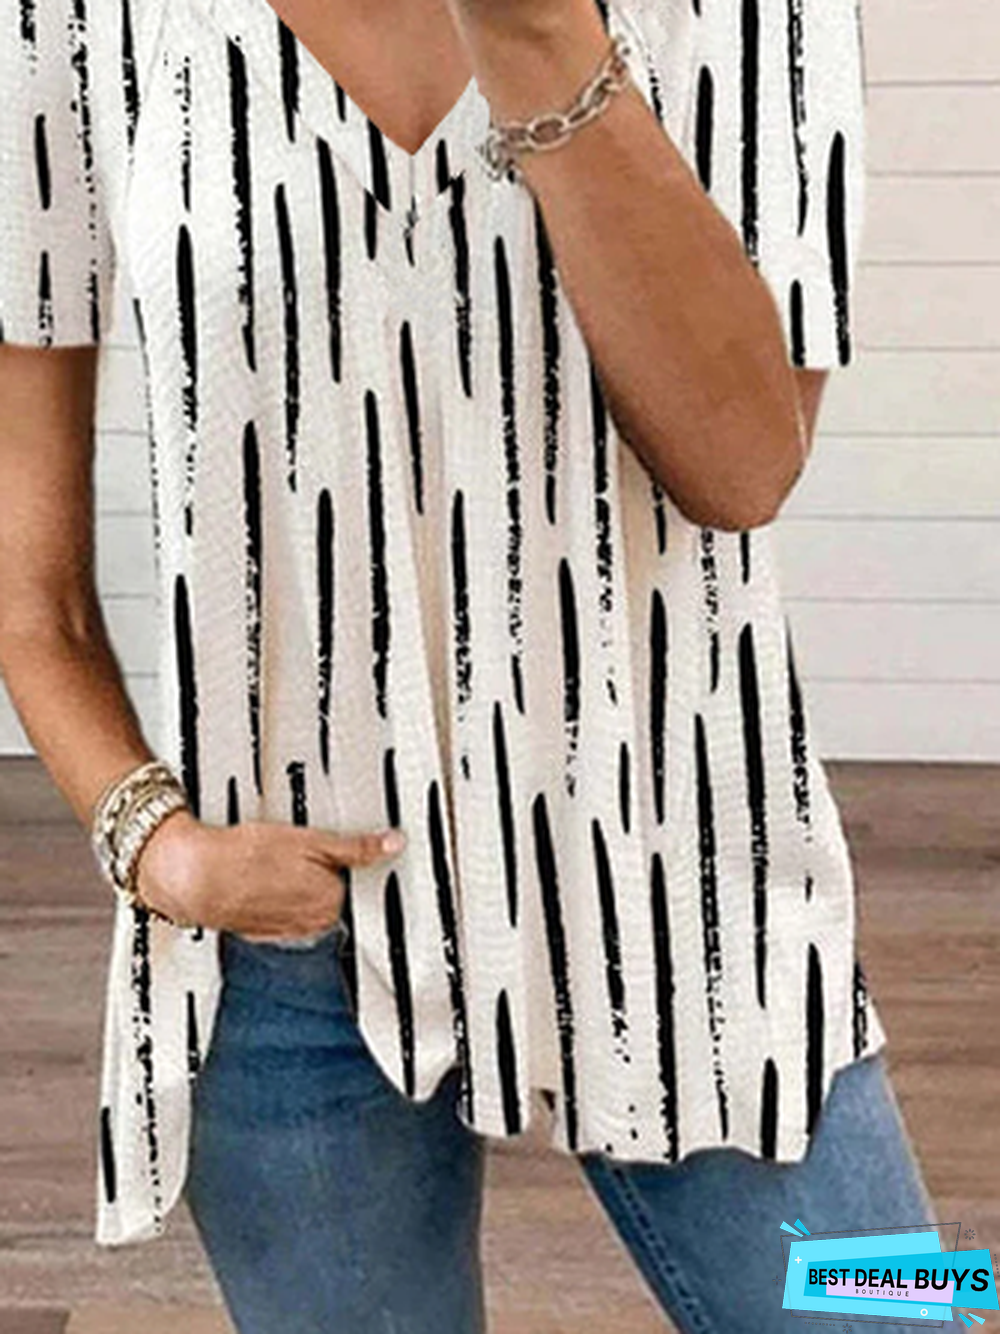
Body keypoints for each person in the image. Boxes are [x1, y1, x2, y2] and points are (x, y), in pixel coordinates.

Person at [0, 0, 938, 1329]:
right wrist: (155, 846)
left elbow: (745, 468)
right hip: (293, 952)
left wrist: (539, 34)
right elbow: (30, 584)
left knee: (911, 1305)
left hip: (701, 903)